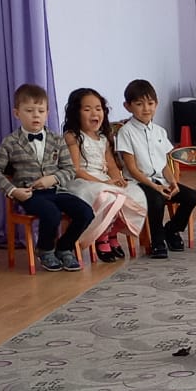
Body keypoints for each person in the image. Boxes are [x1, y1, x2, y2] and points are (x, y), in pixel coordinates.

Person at [0, 84, 91, 272]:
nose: (36, 115)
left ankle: (64, 247)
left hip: (57, 190)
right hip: (30, 194)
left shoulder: (56, 139)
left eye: (41, 111)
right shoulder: (10, 142)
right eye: (29, 111)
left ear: (47, 113)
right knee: (51, 213)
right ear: (17, 113)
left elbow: (69, 169)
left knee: (85, 212)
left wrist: (53, 178)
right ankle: (45, 250)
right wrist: (13, 191)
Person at [61, 87, 146, 262]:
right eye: (87, 109)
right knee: (107, 197)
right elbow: (76, 169)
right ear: (76, 113)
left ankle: (112, 232)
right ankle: (101, 236)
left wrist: (117, 179)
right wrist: (105, 183)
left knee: (135, 194)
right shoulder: (73, 136)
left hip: (103, 179)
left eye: (98, 108)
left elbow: (111, 166)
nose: (94, 113)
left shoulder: (103, 139)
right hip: (82, 181)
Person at [116, 78, 196, 259]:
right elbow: (132, 168)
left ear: (157, 104)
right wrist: (155, 187)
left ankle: (172, 229)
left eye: (150, 103)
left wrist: (173, 182)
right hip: (138, 183)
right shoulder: (125, 132)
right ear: (127, 106)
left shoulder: (160, 131)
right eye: (139, 104)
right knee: (156, 199)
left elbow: (164, 164)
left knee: (191, 196)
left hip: (160, 180)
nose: (146, 109)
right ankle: (157, 240)